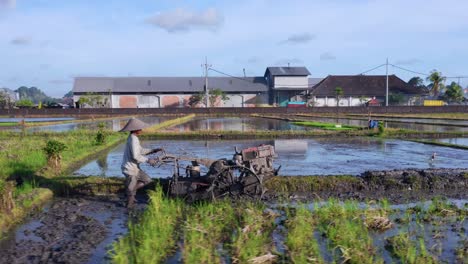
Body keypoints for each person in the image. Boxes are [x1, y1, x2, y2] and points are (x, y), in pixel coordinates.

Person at [120, 118, 163, 208]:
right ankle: (129, 204)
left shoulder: (134, 138)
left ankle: (130, 193)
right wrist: (148, 160)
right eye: (140, 128)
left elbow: (141, 150)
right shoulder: (133, 139)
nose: (141, 130)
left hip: (135, 167)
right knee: (130, 192)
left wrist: (153, 150)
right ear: (135, 129)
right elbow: (136, 156)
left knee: (147, 180)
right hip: (130, 169)